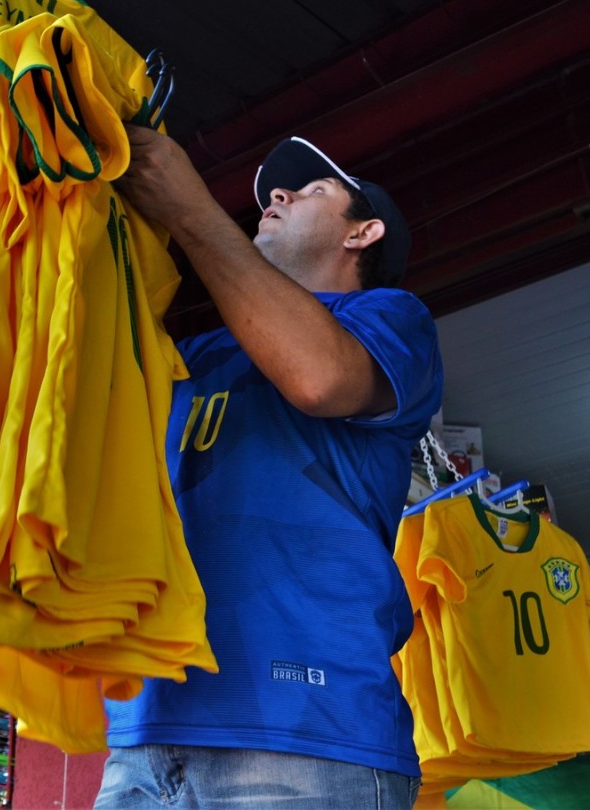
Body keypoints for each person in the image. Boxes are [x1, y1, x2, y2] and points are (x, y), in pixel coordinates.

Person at [94, 128, 444, 809]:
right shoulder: (188, 354)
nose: (276, 195)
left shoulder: (390, 318)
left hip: (310, 736)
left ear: (363, 234)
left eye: (311, 189)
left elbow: (318, 378)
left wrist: (194, 214)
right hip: (142, 733)